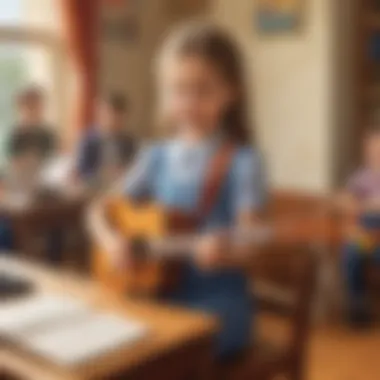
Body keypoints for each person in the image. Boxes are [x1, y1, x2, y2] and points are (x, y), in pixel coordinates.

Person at [88, 22, 267, 357]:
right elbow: (98, 210)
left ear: (231, 91)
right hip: (153, 292)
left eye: (203, 90)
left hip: (217, 304)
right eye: (178, 90)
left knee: (157, 356)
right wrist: (111, 241)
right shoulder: (154, 155)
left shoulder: (243, 160)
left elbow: (252, 242)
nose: (188, 102)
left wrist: (228, 252)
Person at [0, 85, 56, 253]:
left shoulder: (47, 133)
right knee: (17, 228)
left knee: (56, 222)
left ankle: (52, 266)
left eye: (38, 106)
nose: (34, 111)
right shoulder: (16, 134)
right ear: (21, 108)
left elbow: (53, 163)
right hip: (18, 190)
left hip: (43, 186)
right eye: (30, 106)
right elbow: (11, 168)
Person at [340, 125, 380, 326]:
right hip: (366, 234)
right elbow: (348, 201)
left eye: (377, 147)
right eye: (370, 147)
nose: (374, 152)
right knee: (352, 253)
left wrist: (368, 205)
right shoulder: (360, 176)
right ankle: (358, 310)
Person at [75, 93, 137, 189]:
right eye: (110, 114)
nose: (114, 120)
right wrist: (104, 175)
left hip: (122, 189)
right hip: (94, 189)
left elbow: (135, 170)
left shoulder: (129, 141)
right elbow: (82, 172)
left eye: (118, 116)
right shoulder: (88, 140)